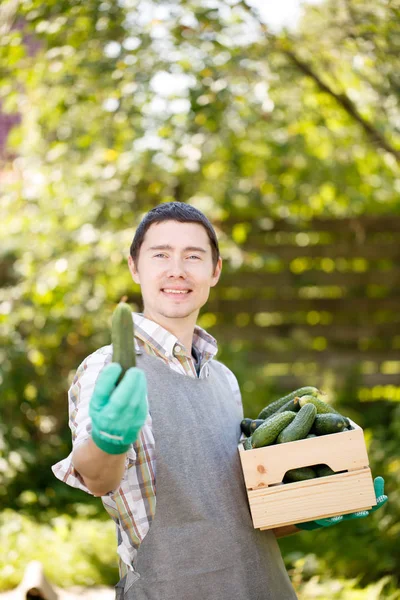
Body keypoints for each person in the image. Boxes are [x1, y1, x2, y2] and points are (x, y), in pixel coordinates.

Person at [52, 202, 387, 600]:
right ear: (134, 267)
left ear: (215, 271)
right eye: (161, 254)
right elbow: (97, 478)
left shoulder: (222, 378)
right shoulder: (109, 367)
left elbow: (235, 518)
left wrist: (312, 511)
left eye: (193, 256)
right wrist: (109, 439)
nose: (177, 269)